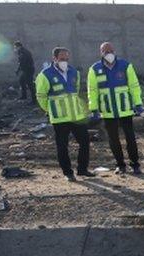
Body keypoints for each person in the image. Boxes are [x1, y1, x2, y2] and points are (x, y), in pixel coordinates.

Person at [36, 47, 93, 182]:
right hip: (60, 118)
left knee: (85, 142)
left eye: (67, 59)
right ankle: (68, 172)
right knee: (62, 146)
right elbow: (41, 96)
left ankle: (82, 169)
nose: (65, 62)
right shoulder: (45, 75)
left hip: (76, 116)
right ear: (54, 59)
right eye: (62, 59)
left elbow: (76, 91)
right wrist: (50, 110)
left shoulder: (74, 72)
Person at [87, 42, 143, 175]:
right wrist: (93, 108)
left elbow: (134, 85)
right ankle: (120, 165)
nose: (109, 53)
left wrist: (138, 103)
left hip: (125, 109)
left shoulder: (125, 66)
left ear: (115, 50)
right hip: (108, 111)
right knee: (113, 140)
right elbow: (92, 90)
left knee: (130, 138)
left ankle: (135, 164)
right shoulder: (95, 69)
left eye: (111, 50)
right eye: (106, 51)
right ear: (101, 53)